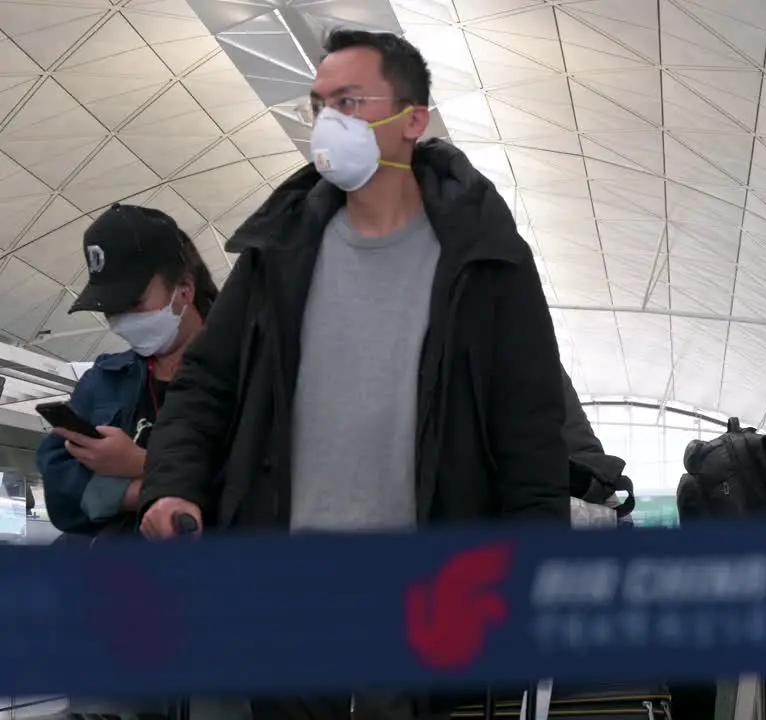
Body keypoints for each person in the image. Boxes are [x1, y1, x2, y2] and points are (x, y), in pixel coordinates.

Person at [137, 27, 568, 717]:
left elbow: (529, 428)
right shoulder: (276, 253)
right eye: (318, 105)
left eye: (350, 101)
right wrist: (172, 485)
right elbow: (206, 385)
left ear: (413, 121)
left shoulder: (487, 263)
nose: (327, 122)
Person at [36, 204, 218, 537]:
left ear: (184, 291)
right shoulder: (104, 379)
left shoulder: (247, 371)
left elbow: (258, 479)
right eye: (112, 310)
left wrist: (138, 464)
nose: (122, 322)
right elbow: (59, 485)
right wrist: (150, 492)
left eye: (133, 305)